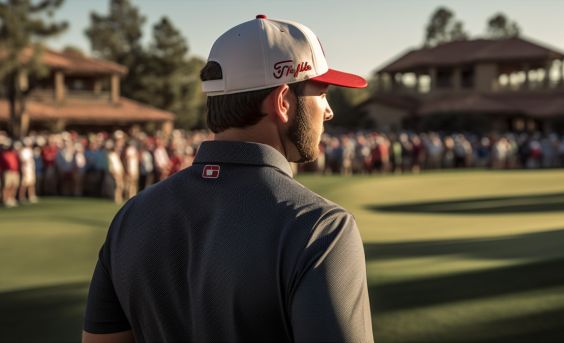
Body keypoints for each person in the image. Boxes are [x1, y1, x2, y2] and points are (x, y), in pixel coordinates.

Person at [83, 15, 374, 343]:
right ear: (283, 102)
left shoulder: (131, 217)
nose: (329, 110)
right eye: (321, 93)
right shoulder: (320, 228)